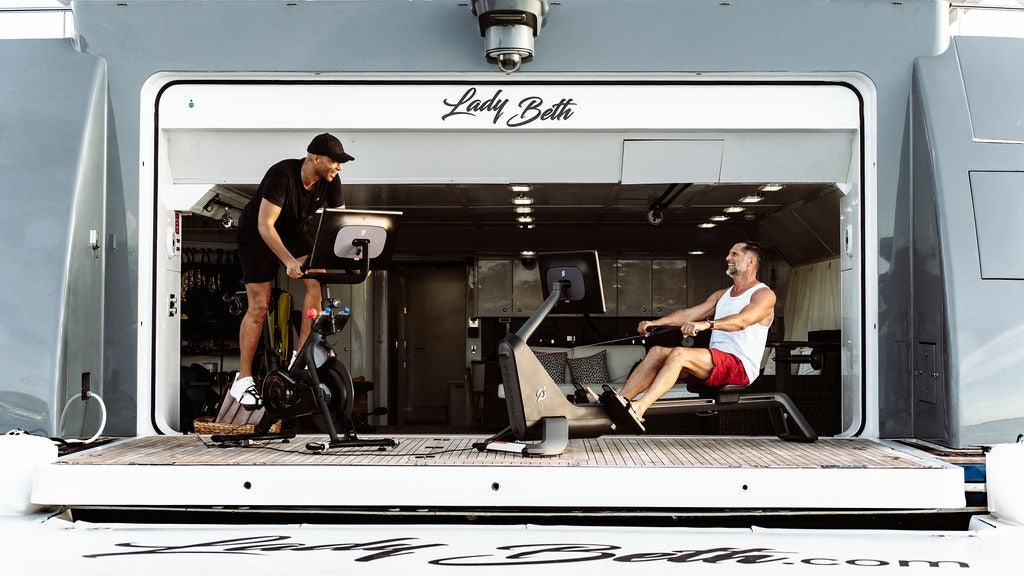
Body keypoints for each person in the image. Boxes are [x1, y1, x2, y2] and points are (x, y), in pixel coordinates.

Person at [229, 133, 354, 408]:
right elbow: (265, 225)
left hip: (294, 229)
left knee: (316, 280)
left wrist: (353, 261)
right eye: (335, 162)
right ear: (315, 158)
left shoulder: (330, 181)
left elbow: (341, 225)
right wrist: (287, 261)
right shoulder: (282, 174)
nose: (339, 168)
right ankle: (243, 380)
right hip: (258, 234)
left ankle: (302, 354)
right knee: (259, 307)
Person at [607, 241, 776, 429]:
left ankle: (639, 408)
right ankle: (619, 404)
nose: (727, 258)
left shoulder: (763, 295)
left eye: (734, 254)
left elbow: (742, 321)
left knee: (680, 354)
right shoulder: (722, 295)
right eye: (729, 254)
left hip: (739, 366)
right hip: (714, 362)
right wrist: (655, 323)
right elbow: (689, 314)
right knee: (656, 352)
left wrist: (706, 324)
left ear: (751, 261)